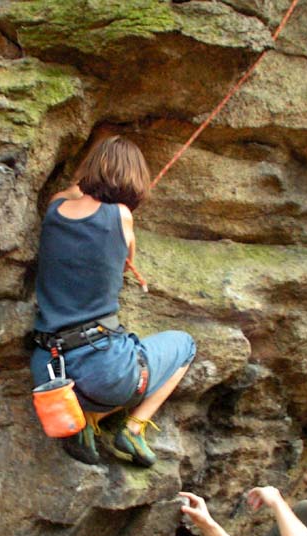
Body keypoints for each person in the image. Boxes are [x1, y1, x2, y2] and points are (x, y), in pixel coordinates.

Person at [30, 135, 196, 467]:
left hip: (47, 371)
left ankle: (85, 419)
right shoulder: (120, 216)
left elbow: (78, 189)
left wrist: (98, 164)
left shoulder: (55, 206)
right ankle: (133, 429)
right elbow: (126, 258)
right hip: (104, 372)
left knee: (98, 372)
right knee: (186, 345)